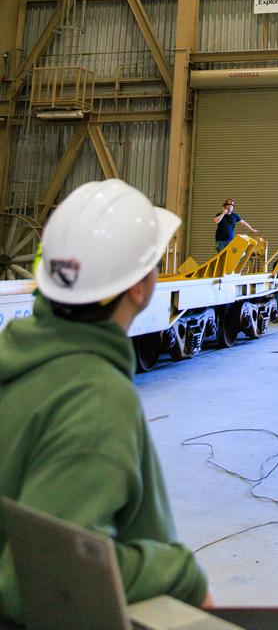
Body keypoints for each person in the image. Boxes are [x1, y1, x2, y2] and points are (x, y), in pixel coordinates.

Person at [0, 179, 211, 623]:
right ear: (138, 287)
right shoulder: (94, 398)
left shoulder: (18, 359)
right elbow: (45, 577)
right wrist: (181, 572)